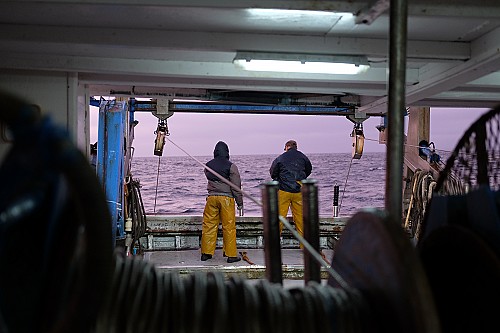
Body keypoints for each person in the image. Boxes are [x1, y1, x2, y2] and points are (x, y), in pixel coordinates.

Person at [200, 141, 243, 263]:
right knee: (228, 227)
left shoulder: (208, 165)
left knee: (209, 225)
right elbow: (236, 186)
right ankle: (231, 255)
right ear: (227, 152)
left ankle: (206, 253)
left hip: (211, 198)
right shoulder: (231, 166)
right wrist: (240, 202)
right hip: (226, 199)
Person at [269, 140, 312, 244]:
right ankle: (304, 246)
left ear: (287, 147)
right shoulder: (303, 157)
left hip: (283, 190)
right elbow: (309, 169)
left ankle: (274, 244)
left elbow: (272, 172)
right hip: (299, 191)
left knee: (279, 217)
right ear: (296, 147)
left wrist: (279, 179)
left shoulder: (280, 158)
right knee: (301, 219)